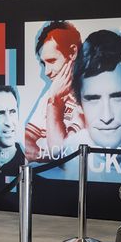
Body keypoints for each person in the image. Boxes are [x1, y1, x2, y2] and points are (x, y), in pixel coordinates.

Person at [61, 29, 121, 182]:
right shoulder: (70, 151)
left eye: (117, 97)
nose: (106, 117)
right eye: (93, 99)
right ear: (79, 104)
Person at [24, 21, 83, 161]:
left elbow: (62, 153)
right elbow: (26, 144)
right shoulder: (51, 93)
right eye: (43, 63)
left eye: (51, 61)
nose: (46, 72)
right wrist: (48, 157)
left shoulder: (89, 98)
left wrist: (54, 102)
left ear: (73, 52)